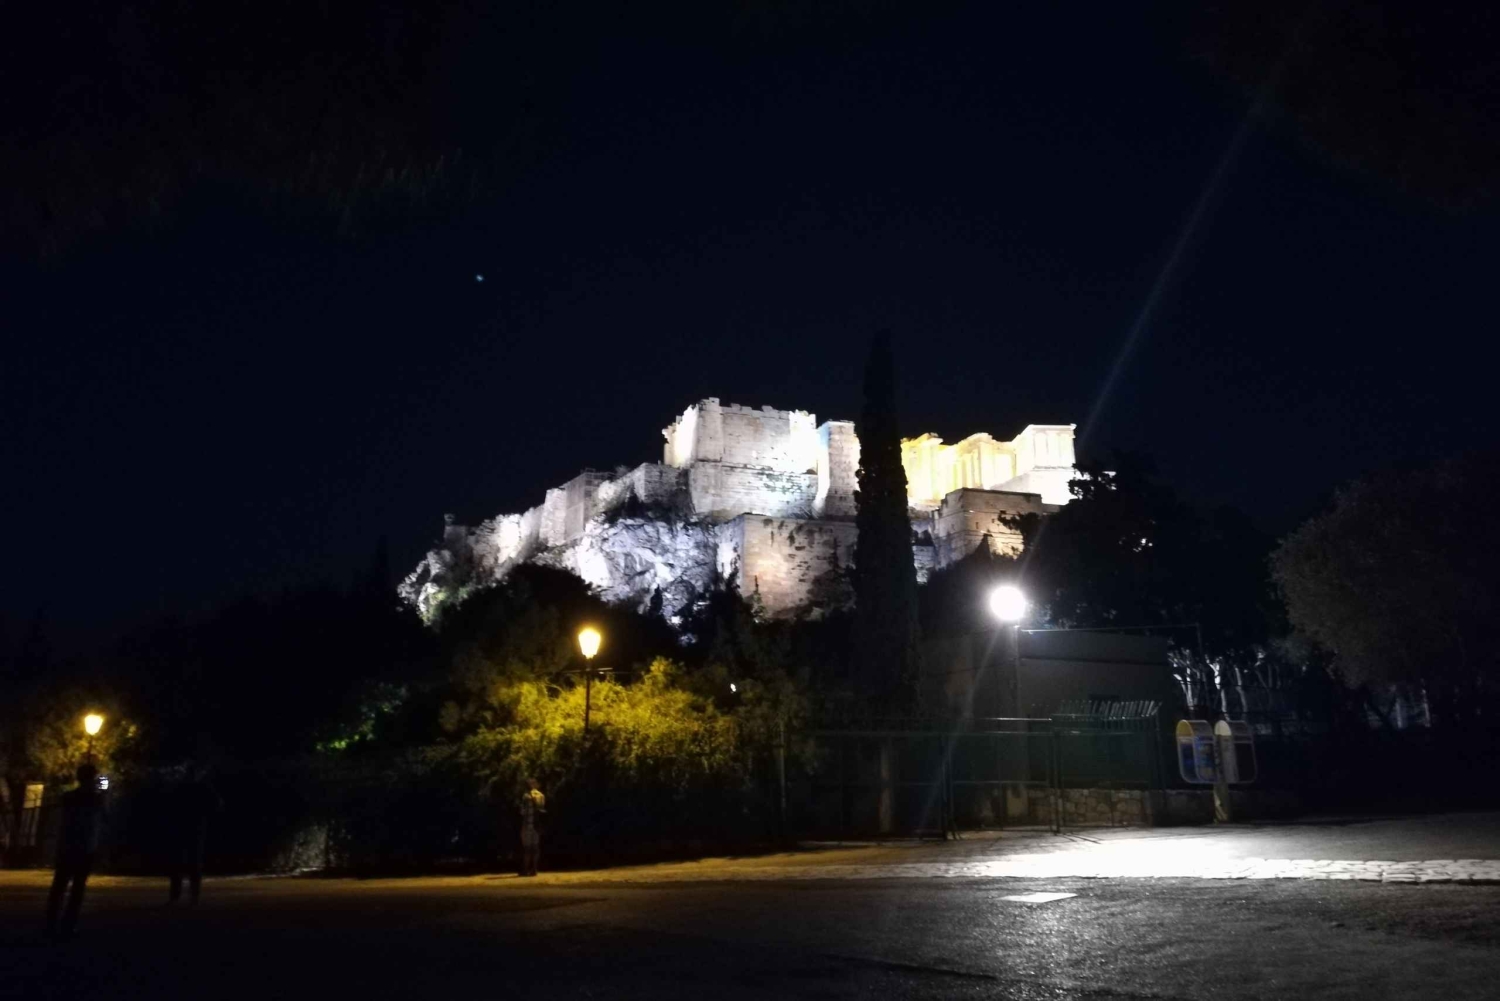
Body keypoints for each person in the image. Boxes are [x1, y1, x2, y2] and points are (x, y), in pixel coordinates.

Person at [45, 763, 105, 940]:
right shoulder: (95, 799)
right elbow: (101, 820)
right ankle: (68, 924)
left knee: (59, 886)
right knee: (77, 888)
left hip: (68, 845)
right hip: (85, 847)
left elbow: (62, 822)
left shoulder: (69, 797)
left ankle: (51, 922)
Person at [168, 766, 221, 905]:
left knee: (179, 862)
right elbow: (217, 805)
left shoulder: (181, 787)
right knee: (193, 862)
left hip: (183, 826)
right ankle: (192, 896)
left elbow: (170, 805)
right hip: (195, 827)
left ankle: (177, 896)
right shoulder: (201, 787)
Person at [518, 777, 545, 876]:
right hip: (536, 826)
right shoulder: (541, 795)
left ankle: (525, 869)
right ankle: (534, 869)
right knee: (536, 848)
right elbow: (542, 809)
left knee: (527, 848)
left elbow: (522, 812)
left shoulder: (525, 796)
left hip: (527, 825)